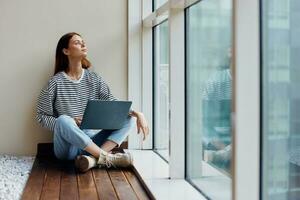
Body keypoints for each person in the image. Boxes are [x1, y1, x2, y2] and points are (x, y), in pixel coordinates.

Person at [36, 32, 149, 172]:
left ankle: (93, 160)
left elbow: (114, 106)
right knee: (63, 120)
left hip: (92, 144)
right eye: (77, 42)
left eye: (83, 41)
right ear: (66, 51)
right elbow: (41, 117)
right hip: (67, 148)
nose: (83, 44)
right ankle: (106, 158)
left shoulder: (94, 79)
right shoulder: (55, 82)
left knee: (129, 119)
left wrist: (137, 113)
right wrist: (70, 121)